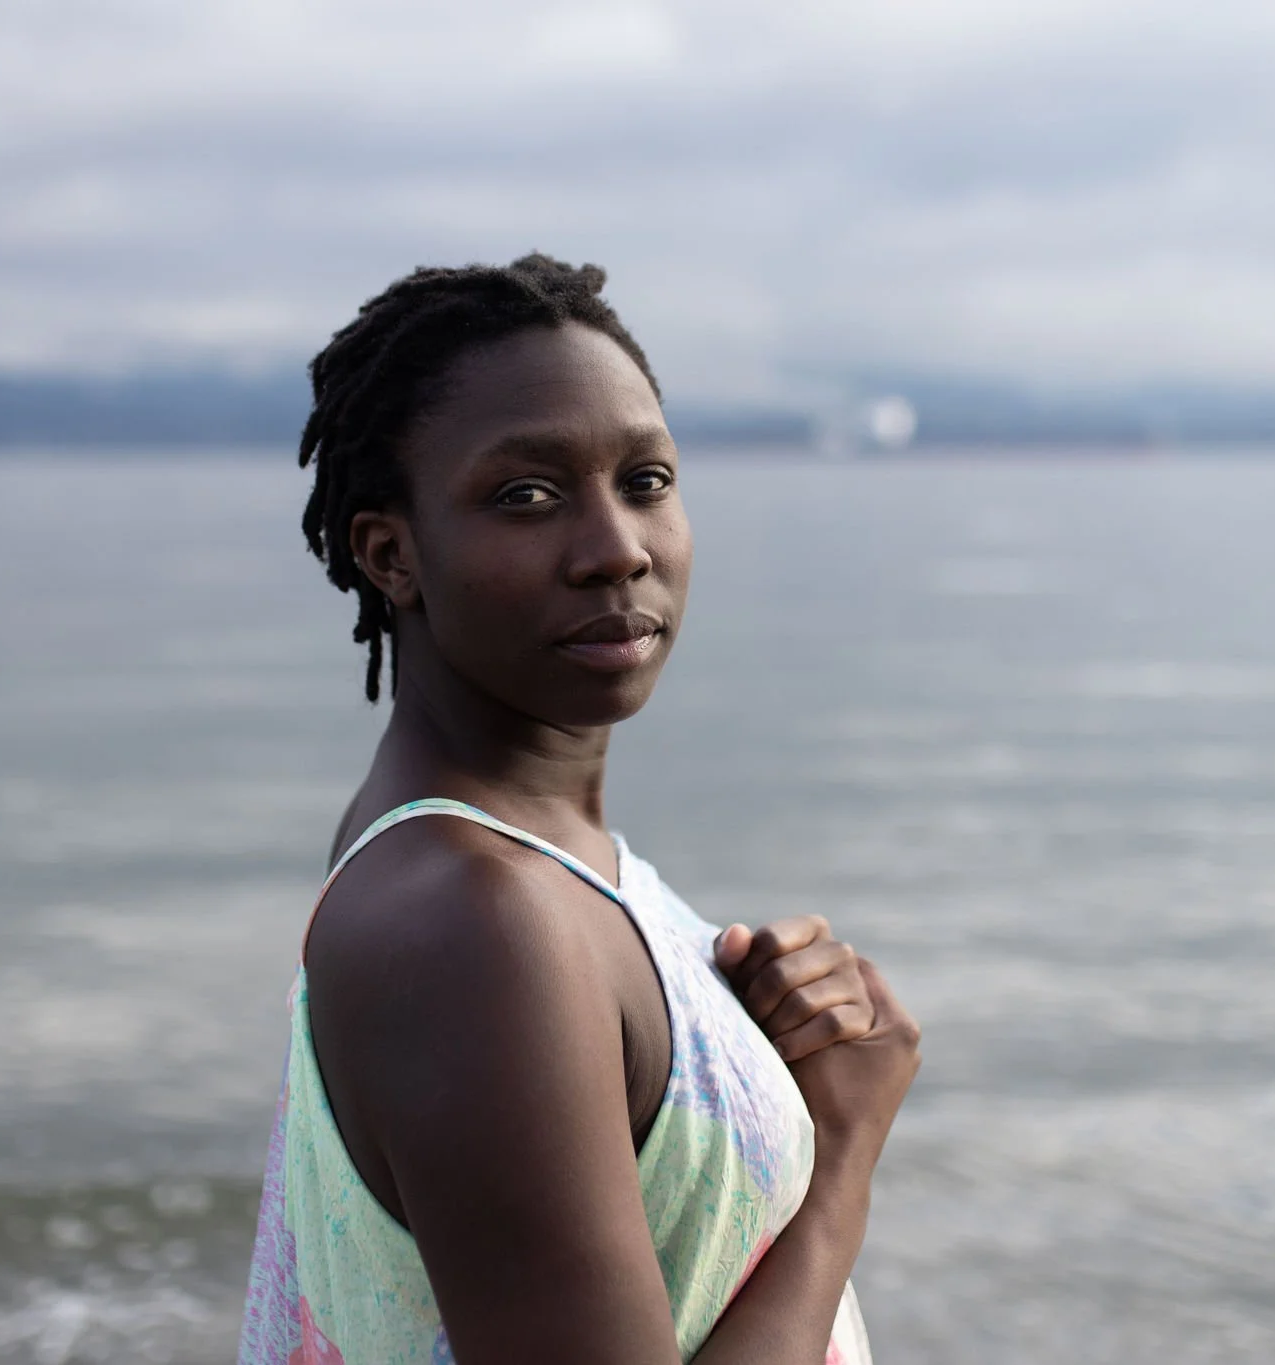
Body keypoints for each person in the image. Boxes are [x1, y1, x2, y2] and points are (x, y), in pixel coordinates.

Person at [238, 254, 921, 1365]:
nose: (618, 550)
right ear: (390, 553)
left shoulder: (505, 863)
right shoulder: (474, 921)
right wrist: (840, 1149)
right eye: (527, 496)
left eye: (645, 480)